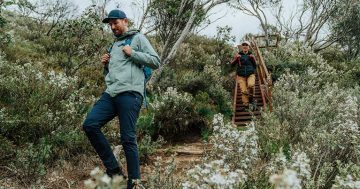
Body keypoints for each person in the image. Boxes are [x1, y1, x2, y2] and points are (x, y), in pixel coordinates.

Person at [82, 9, 160, 189]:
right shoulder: (113, 45)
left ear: (125, 21)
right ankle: (114, 170)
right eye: (110, 24)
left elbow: (155, 61)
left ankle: (135, 183)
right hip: (111, 93)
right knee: (90, 124)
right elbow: (112, 74)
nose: (112, 27)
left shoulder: (138, 38)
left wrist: (132, 53)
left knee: (127, 138)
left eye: (115, 23)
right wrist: (106, 65)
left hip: (131, 94)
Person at [231, 41, 257, 111]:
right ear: (242, 47)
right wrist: (236, 59)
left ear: (249, 47)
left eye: (246, 45)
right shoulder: (238, 55)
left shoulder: (251, 55)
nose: (245, 46)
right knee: (244, 91)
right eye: (243, 45)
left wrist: (253, 59)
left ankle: (251, 98)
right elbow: (232, 65)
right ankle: (246, 105)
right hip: (241, 76)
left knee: (251, 85)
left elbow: (255, 66)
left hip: (250, 74)